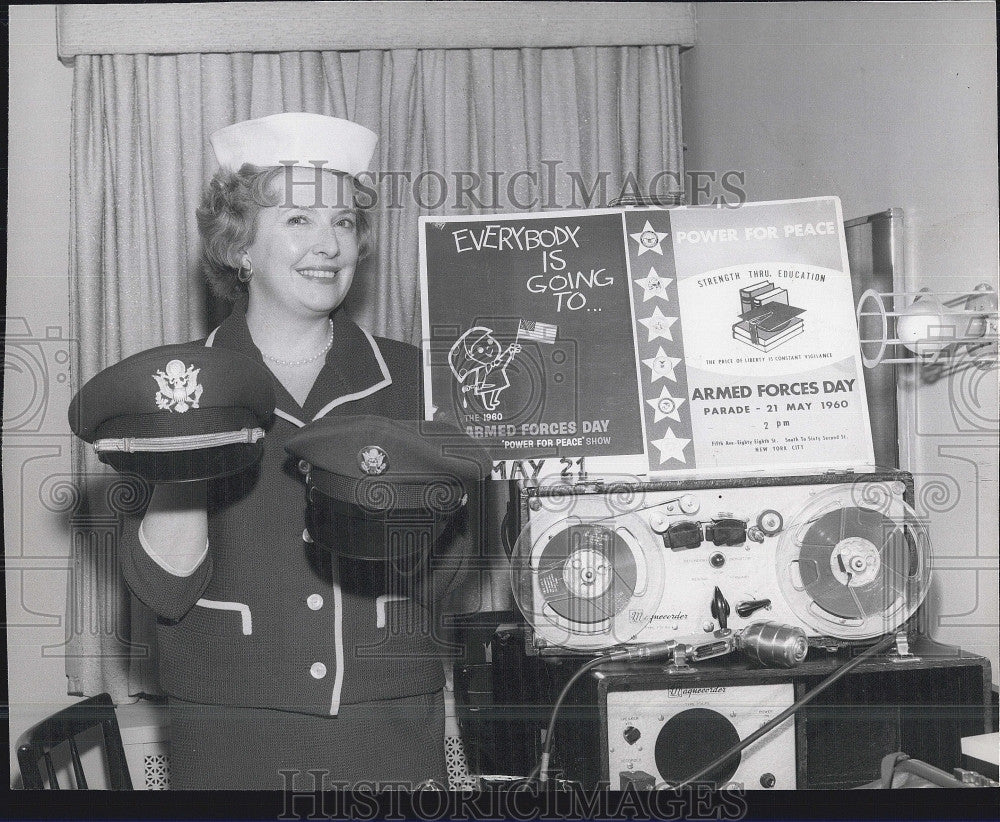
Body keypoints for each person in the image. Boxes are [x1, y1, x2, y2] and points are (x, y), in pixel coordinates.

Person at [117, 113, 464, 790]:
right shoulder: (176, 384)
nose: (328, 244)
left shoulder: (419, 380)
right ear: (239, 246)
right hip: (232, 732)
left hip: (383, 725)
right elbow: (163, 587)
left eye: (342, 222)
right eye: (298, 221)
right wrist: (187, 452)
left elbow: (449, 571)